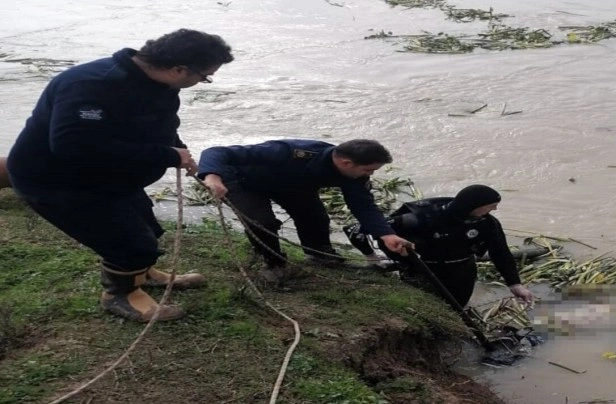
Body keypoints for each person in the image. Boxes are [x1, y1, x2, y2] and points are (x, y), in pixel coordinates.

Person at [6, 29, 234, 322]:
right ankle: (121, 295)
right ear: (179, 69)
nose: (202, 82)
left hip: (110, 174)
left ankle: (142, 275)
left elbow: (160, 124)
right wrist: (166, 156)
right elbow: (73, 146)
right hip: (58, 181)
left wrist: (179, 150)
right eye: (205, 77)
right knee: (130, 243)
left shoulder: (160, 84)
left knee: (147, 229)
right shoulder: (91, 85)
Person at [198, 138, 412, 275]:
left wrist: (386, 235)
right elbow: (216, 152)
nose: (371, 174)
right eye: (369, 169)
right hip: (242, 181)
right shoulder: (290, 151)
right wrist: (213, 176)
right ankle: (274, 264)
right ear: (347, 163)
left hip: (292, 185)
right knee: (262, 222)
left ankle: (320, 255)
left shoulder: (354, 175)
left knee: (315, 217)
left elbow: (363, 206)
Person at [344, 184, 534, 308]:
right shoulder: (419, 219)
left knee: (457, 309)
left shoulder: (487, 223)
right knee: (420, 308)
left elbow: (500, 252)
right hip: (421, 269)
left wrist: (514, 284)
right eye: (491, 205)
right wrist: (370, 256)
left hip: (462, 270)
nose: (494, 210)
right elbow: (355, 229)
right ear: (473, 205)